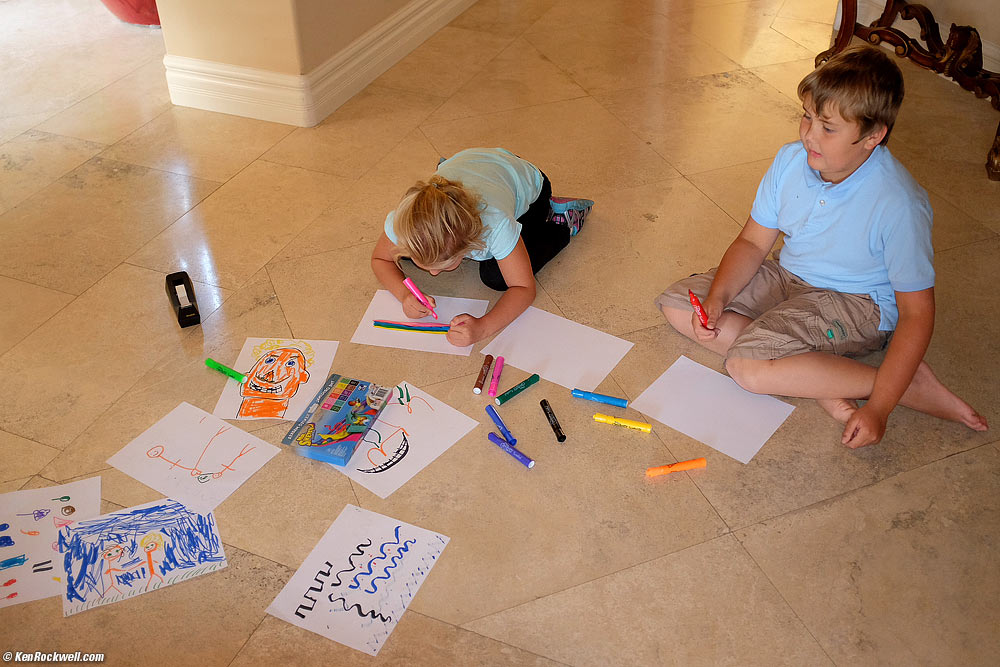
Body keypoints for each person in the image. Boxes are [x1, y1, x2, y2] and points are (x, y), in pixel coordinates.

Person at [654, 45, 987, 448]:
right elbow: (752, 241)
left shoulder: (899, 204)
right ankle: (820, 377)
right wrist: (719, 297)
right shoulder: (790, 161)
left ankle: (899, 386)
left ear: (873, 135)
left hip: (857, 302)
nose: (809, 134)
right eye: (807, 117)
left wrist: (880, 406)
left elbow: (917, 314)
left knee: (748, 367)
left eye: (828, 128)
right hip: (789, 276)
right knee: (679, 305)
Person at [371, 147, 593, 346]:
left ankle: (559, 223)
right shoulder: (405, 221)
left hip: (527, 181)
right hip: (471, 164)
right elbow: (380, 259)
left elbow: (524, 289)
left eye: (443, 266)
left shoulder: (495, 225)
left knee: (495, 276)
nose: (433, 273)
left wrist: (482, 328)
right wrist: (403, 295)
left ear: (470, 243)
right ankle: (446, 177)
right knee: (408, 252)